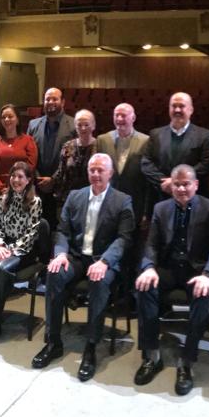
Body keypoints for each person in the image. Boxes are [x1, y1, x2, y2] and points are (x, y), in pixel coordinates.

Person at [32, 153, 134, 382]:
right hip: (77, 257)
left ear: (110, 173)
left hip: (103, 260)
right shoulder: (75, 196)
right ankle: (53, 341)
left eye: (101, 170)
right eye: (92, 170)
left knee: (98, 280)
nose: (96, 174)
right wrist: (60, 254)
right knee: (54, 272)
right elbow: (63, 231)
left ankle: (91, 346)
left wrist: (105, 261)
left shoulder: (122, 200)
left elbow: (124, 239)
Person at [133, 165, 209, 396]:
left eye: (186, 184)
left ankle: (186, 362)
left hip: (197, 271)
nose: (182, 188)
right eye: (177, 184)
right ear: (170, 186)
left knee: (203, 295)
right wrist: (149, 267)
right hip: (168, 268)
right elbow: (151, 244)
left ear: (195, 184)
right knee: (144, 287)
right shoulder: (160, 208)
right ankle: (152, 355)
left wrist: (208, 275)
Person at [0, 161, 43, 343]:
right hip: (2, 246)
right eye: (13, 176)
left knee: (1, 270)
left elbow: (31, 233)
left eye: (20, 177)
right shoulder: (2, 199)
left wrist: (10, 250)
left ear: (29, 180)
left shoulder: (35, 202)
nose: (16, 180)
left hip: (24, 250)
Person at [142, 92, 209, 205]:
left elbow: (206, 164)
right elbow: (146, 163)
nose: (177, 110)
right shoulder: (155, 134)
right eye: (173, 106)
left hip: (193, 201)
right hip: (161, 198)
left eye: (181, 106)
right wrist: (167, 183)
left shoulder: (204, 135)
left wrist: (177, 182)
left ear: (191, 109)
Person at [0, 103, 37, 250]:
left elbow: (30, 166)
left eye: (10, 116)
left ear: (18, 119)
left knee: (19, 228)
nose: (7, 119)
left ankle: (16, 259)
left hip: (22, 191)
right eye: (4, 117)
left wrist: (17, 186)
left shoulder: (28, 141)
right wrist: (2, 188)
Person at [28, 87, 76, 229]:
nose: (50, 102)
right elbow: (29, 155)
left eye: (55, 99)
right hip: (38, 187)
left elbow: (73, 158)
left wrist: (53, 180)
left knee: (59, 230)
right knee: (38, 230)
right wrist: (38, 178)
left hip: (62, 189)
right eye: (47, 99)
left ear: (63, 102)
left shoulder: (73, 125)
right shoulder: (33, 125)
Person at [96, 102, 151, 227]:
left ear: (133, 118)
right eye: (116, 115)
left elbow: (148, 180)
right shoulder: (102, 140)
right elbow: (96, 174)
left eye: (123, 115)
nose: (119, 119)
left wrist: (146, 212)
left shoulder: (146, 141)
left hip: (135, 204)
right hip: (107, 204)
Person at [51, 108, 98, 202]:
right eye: (79, 125)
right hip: (69, 198)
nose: (83, 128)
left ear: (93, 126)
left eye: (86, 124)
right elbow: (61, 171)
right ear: (75, 127)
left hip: (92, 198)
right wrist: (50, 181)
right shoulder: (67, 146)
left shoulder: (100, 146)